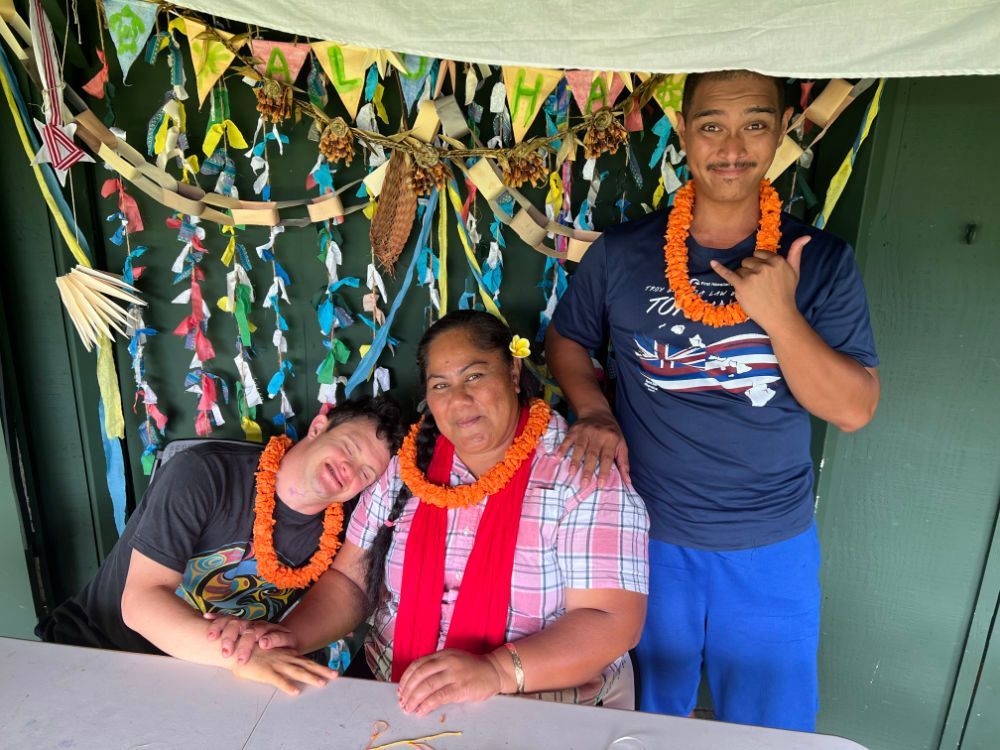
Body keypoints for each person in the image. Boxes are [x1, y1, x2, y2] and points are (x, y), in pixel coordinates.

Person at [545, 70, 880, 731]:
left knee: (769, 733)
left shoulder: (822, 260)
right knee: (632, 723)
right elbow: (565, 343)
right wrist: (595, 410)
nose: (733, 146)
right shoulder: (623, 253)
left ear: (784, 128)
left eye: (755, 124)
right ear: (683, 130)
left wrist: (780, 315)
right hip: (642, 539)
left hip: (769, 545)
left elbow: (853, 409)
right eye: (712, 126)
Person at [213, 310, 649, 710]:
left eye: (474, 376)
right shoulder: (407, 464)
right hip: (395, 692)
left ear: (514, 372)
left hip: (535, 703)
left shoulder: (582, 468)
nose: (459, 401)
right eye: (441, 385)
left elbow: (611, 620)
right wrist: (291, 635)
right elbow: (350, 580)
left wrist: (495, 671)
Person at [37, 396, 403, 692]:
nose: (348, 469)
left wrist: (279, 641)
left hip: (207, 680)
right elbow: (140, 601)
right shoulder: (203, 472)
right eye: (348, 448)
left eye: (366, 473)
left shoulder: (345, 527)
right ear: (319, 427)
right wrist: (240, 657)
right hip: (96, 652)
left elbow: (350, 590)